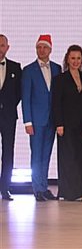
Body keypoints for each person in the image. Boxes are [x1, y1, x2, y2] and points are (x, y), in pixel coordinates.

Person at [51, 45, 82, 202]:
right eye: (73, 58)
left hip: (81, 124)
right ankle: (68, 192)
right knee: (68, 157)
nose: (76, 61)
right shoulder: (60, 79)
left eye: (78, 58)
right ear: (67, 59)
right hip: (66, 124)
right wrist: (59, 123)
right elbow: (56, 103)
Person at [22, 34, 60, 201]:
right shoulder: (29, 70)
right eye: (39, 47)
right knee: (36, 155)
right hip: (36, 121)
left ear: (50, 49)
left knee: (46, 154)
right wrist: (27, 121)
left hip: (52, 119)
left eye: (44, 47)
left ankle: (44, 187)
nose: (41, 50)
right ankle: (37, 188)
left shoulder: (57, 68)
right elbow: (26, 97)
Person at [0, 34, 21, 202]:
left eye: (2, 45)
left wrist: (8, 106)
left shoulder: (15, 67)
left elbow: (18, 93)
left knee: (8, 152)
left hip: (8, 116)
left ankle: (5, 188)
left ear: (7, 47)